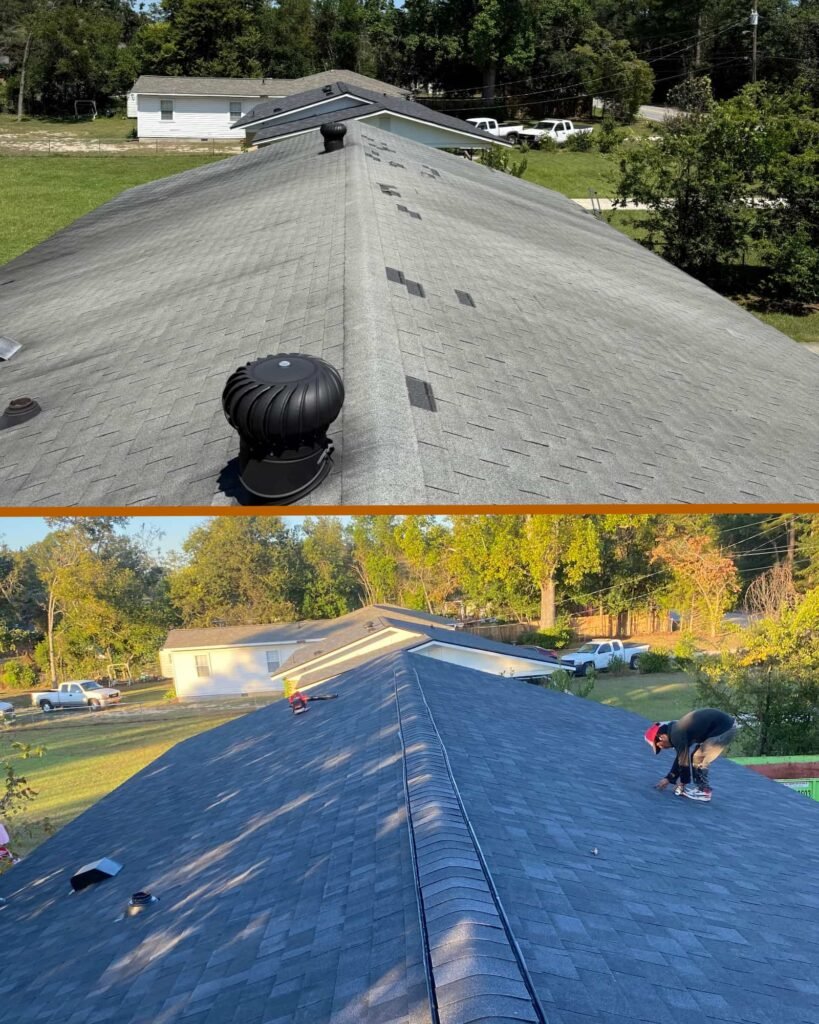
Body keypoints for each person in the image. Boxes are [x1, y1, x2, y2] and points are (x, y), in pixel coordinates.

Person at [644, 708, 738, 802]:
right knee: (696, 756)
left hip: (725, 729)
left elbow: (683, 761)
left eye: (660, 746)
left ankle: (704, 791)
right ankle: (701, 789)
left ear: (661, 737)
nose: (663, 748)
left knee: (699, 757)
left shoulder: (676, 734)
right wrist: (669, 778)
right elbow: (681, 758)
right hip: (723, 727)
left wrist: (682, 784)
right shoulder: (676, 729)